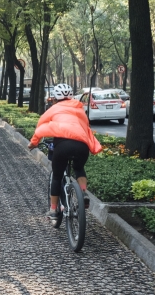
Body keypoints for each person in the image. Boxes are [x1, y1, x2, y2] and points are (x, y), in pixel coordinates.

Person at [27, 83, 102, 222]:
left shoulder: (53, 109)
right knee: (79, 168)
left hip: (62, 147)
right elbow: (86, 127)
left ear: (55, 98)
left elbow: (40, 125)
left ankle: (53, 210)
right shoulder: (80, 109)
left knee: (57, 176)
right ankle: (83, 193)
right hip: (82, 146)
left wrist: (33, 143)